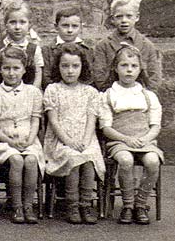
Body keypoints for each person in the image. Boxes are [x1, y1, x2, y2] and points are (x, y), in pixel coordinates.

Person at [99, 45, 164, 225]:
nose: (129, 70)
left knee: (152, 161)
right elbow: (106, 128)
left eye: (134, 66)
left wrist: (145, 139)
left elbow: (155, 125)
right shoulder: (108, 95)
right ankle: (127, 205)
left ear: (139, 69)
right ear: (115, 68)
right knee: (125, 160)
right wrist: (126, 139)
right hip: (119, 141)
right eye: (124, 65)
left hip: (145, 140)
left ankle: (140, 204)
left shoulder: (148, 95)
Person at [43, 43, 105, 224]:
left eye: (75, 66)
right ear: (58, 67)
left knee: (87, 158)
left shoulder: (90, 92)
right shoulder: (53, 90)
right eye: (65, 66)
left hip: (85, 138)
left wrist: (85, 141)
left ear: (82, 67)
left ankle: (86, 204)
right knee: (73, 158)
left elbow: (91, 121)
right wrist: (69, 141)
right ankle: (72, 205)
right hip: (60, 140)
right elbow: (53, 122)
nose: (70, 71)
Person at [0, 46, 45, 224]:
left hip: (28, 138)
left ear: (24, 69)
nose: (11, 73)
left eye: (16, 68)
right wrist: (8, 140)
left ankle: (28, 205)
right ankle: (16, 206)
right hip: (2, 140)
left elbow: (35, 120)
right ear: (0, 69)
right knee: (17, 160)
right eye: (6, 68)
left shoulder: (34, 93)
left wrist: (30, 139)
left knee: (31, 160)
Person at [93, 0, 162, 91]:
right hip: (112, 96)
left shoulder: (147, 46)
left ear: (137, 17)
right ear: (112, 19)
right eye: (119, 16)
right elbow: (99, 78)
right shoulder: (103, 46)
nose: (124, 20)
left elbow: (154, 79)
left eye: (129, 16)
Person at [0, 1, 43, 90]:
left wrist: (32, 94)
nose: (17, 27)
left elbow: (38, 74)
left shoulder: (34, 49)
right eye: (13, 22)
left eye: (22, 22)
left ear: (29, 24)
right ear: (6, 24)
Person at [41, 7, 94, 89]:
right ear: (56, 26)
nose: (70, 30)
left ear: (81, 27)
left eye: (74, 26)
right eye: (65, 26)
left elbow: (90, 77)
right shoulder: (47, 51)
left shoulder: (87, 50)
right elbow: (46, 78)